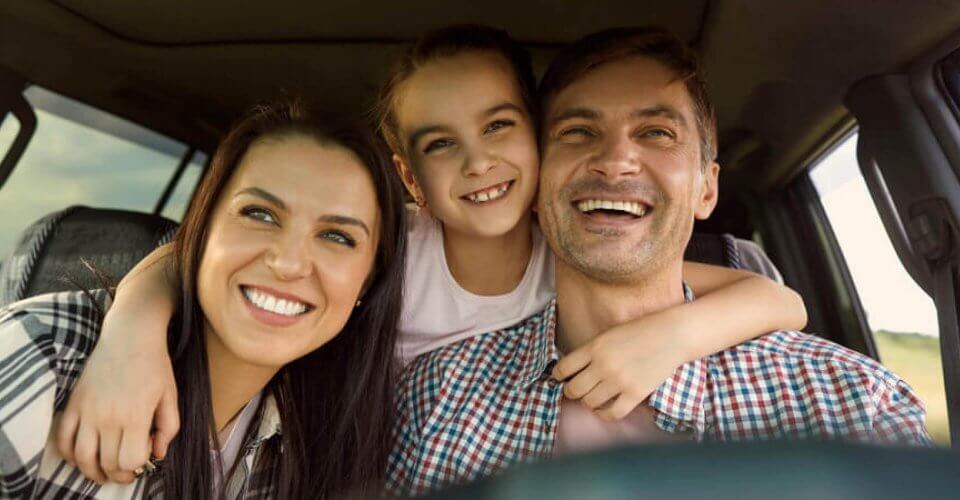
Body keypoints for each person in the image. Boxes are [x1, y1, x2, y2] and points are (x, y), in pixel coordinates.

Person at [56, 26, 808, 484]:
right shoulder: (384, 240)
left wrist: (666, 336)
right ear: (411, 176)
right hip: (335, 456)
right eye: (442, 145)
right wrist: (130, 331)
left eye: (500, 128)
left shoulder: (574, 259)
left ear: (541, 144)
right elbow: (205, 260)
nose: (478, 164)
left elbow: (777, 300)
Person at [386, 27, 932, 496]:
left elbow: (779, 300)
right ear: (534, 181)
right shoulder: (435, 395)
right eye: (577, 132)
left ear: (706, 189)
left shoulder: (852, 402)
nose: (616, 160)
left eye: (656, 133)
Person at [0, 101, 407, 499]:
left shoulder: (311, 445)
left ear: (368, 283)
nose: (287, 263)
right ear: (202, 226)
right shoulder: (41, 356)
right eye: (260, 214)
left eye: (337, 237)